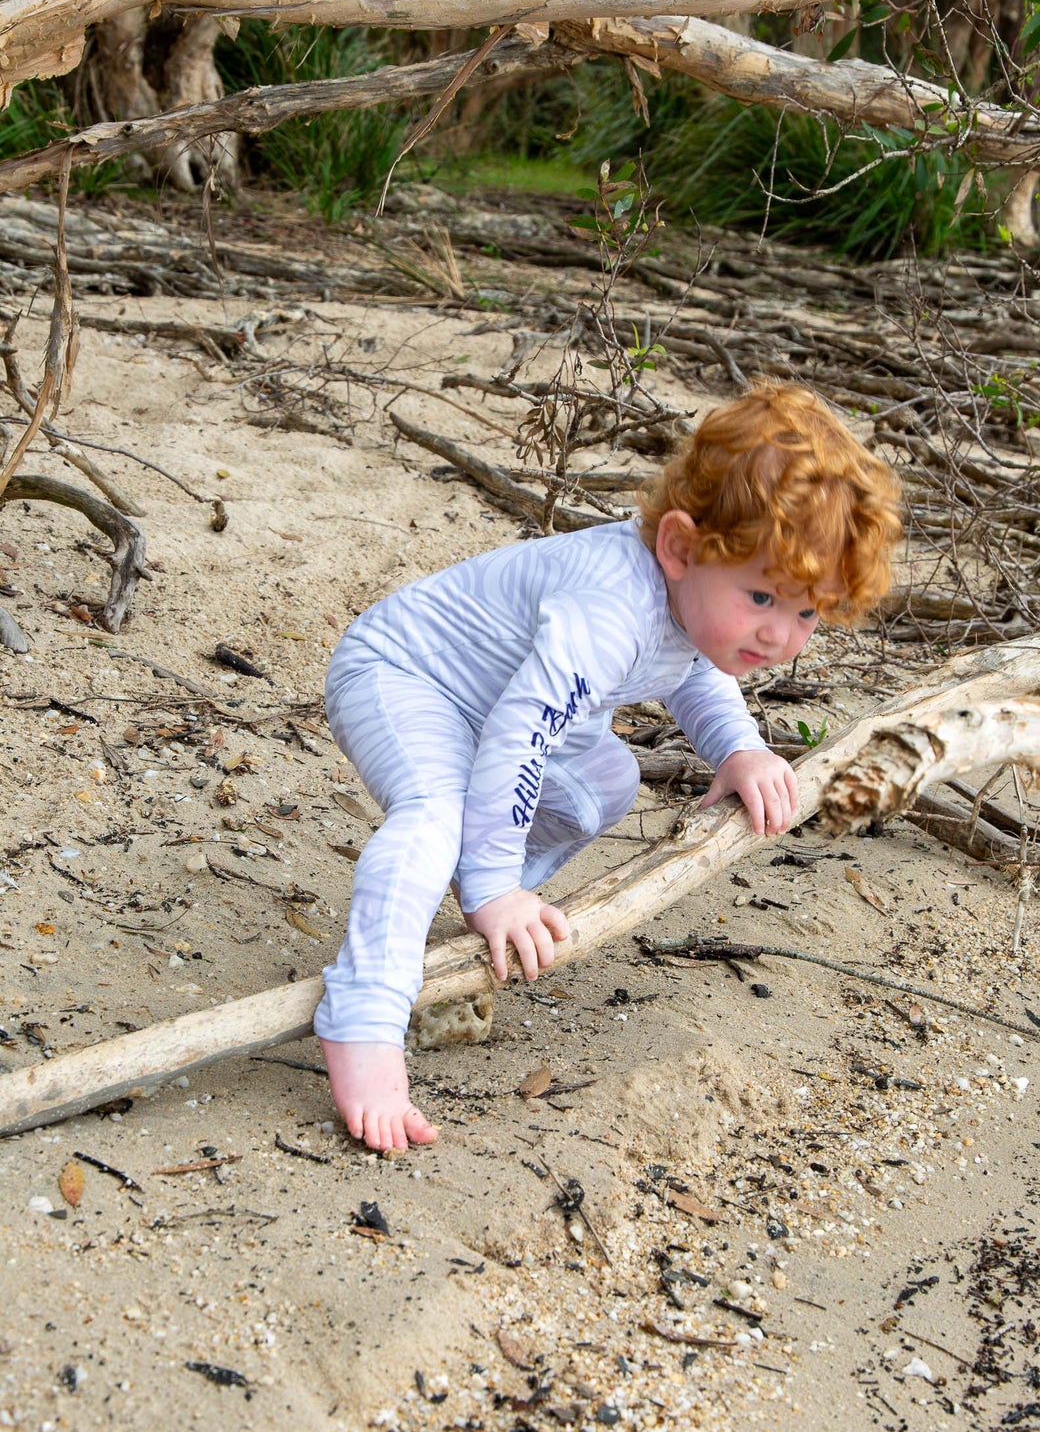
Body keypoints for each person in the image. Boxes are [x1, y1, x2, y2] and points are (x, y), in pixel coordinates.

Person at [315, 384, 903, 1152]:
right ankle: (363, 1019)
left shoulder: (690, 598)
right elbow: (523, 732)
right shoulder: (608, 608)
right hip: (406, 676)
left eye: (807, 612)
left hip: (501, 706)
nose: (779, 634)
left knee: (605, 784)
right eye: (762, 595)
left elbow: (694, 668)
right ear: (681, 548)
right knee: (432, 819)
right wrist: (497, 886)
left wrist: (738, 747)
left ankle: (465, 884)